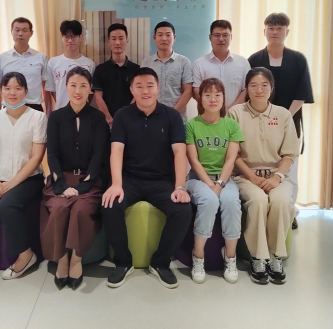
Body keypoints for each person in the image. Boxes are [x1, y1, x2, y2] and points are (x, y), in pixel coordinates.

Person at [102, 67, 192, 289]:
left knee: (183, 210)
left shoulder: (172, 116)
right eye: (139, 86)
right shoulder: (122, 115)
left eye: (150, 86)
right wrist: (116, 184)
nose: (145, 91)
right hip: (130, 179)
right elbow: (117, 151)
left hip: (162, 180)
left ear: (158, 88)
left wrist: (180, 186)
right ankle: (123, 262)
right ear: (131, 89)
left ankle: (160, 262)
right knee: (110, 204)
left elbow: (180, 152)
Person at [0, 72, 47, 281]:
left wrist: (12, 183)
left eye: (18, 88)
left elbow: (36, 157)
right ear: (1, 91)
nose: (13, 93)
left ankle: (26, 255)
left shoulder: (37, 117)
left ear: (26, 91)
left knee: (7, 206)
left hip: (28, 179)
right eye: (8, 88)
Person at [228, 67, 299, 285]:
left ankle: (276, 256)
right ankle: (258, 258)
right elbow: (232, 154)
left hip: (277, 176)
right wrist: (252, 176)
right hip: (245, 175)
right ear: (246, 88)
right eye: (253, 85)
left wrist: (277, 177)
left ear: (271, 88)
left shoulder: (283, 114)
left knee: (280, 201)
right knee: (258, 200)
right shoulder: (235, 113)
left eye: (264, 85)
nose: (259, 90)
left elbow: (290, 154)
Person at [41, 67, 109, 290]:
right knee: (59, 208)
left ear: (90, 89)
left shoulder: (98, 118)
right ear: (66, 87)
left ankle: (76, 259)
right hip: (62, 178)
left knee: (81, 209)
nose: (78, 91)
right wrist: (61, 185)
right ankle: (62, 258)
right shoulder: (56, 117)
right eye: (73, 85)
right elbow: (52, 154)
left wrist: (82, 187)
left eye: (83, 86)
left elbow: (99, 156)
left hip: (90, 179)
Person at [248, 13, 314, 229]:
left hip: (290, 121)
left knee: (289, 168)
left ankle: (290, 211)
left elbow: (302, 94)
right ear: (264, 31)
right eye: (271, 28)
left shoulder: (298, 59)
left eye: (279, 28)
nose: (274, 32)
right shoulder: (254, 59)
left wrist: (283, 116)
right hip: (258, 123)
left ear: (287, 31)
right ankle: (267, 209)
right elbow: (249, 92)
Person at [185, 78, 243, 284]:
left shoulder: (231, 125)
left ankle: (230, 256)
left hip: (225, 178)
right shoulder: (191, 125)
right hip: (198, 179)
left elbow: (230, 160)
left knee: (231, 201)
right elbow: (193, 160)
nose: (213, 99)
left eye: (217, 95)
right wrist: (211, 185)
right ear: (200, 98)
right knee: (209, 200)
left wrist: (220, 184)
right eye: (207, 94)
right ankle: (198, 255)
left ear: (223, 98)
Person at [141, 21, 193, 122]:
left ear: (174, 37)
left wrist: (172, 114)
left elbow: (188, 91)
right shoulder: (146, 63)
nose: (164, 38)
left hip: (177, 119)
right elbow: (143, 90)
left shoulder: (184, 61)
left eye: (168, 35)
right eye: (160, 35)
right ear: (154, 38)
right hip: (151, 119)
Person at [0, 17, 50, 114]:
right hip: (9, 107)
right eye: (17, 30)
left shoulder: (41, 57)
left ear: (31, 33)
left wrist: (49, 111)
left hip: (34, 108)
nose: (20, 34)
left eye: (24, 30)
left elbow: (46, 88)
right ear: (11, 32)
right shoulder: (2, 58)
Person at [192, 20, 250, 108]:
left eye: (225, 35)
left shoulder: (243, 62)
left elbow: (246, 89)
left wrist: (231, 111)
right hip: (208, 114)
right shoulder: (199, 63)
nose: (221, 39)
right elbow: (196, 91)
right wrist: (213, 111)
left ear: (231, 37)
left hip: (236, 114)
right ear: (210, 37)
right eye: (217, 35)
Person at [93, 23, 140, 127]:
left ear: (127, 41)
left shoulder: (136, 69)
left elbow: (137, 96)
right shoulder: (100, 69)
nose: (117, 42)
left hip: (131, 121)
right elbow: (98, 98)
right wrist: (109, 119)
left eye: (121, 38)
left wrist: (125, 117)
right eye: (113, 39)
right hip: (106, 123)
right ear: (109, 42)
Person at [45, 20, 95, 111]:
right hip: (60, 111)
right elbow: (51, 90)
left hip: (83, 112)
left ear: (80, 38)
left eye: (74, 36)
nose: (70, 40)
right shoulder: (53, 62)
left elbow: (90, 92)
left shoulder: (89, 64)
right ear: (62, 38)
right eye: (66, 37)